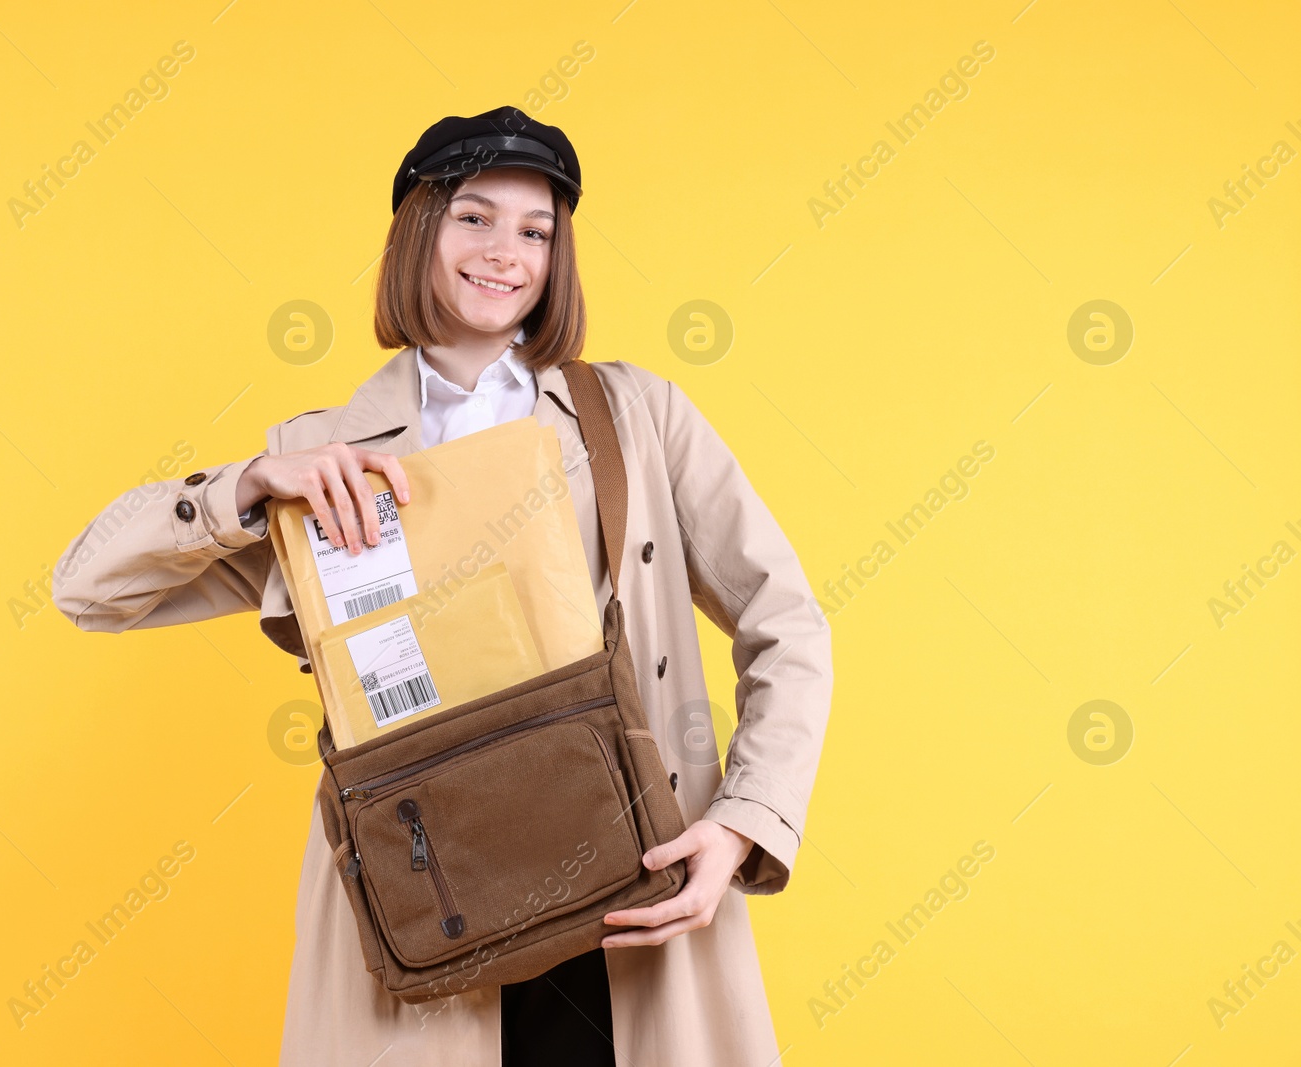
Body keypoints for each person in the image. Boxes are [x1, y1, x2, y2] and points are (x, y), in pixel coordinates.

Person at [52, 105, 834, 1067]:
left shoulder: (637, 414)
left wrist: (743, 824)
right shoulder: (321, 456)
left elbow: (786, 621)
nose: (506, 251)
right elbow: (88, 589)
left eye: (536, 230)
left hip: (635, 881)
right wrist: (245, 488)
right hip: (426, 889)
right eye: (474, 216)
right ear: (418, 230)